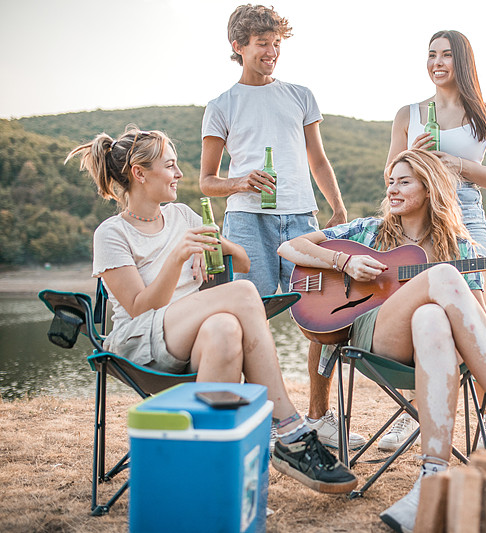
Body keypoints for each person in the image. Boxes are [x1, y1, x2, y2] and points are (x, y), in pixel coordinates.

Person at [277, 149, 486, 531]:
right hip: (376, 338)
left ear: (429, 188)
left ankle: (431, 477)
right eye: (391, 181)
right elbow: (290, 247)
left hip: (437, 349)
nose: (392, 189)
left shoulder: (460, 246)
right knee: (443, 276)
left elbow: (481, 325)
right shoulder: (370, 230)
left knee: (432, 316)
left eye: (404, 181)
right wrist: (343, 263)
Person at [67, 128, 357, 495]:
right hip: (139, 342)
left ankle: (207, 480)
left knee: (224, 327)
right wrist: (177, 257)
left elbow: (243, 261)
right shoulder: (112, 234)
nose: (179, 174)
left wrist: (216, 249)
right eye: (170, 166)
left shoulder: (184, 216)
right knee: (242, 294)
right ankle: (289, 430)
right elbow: (140, 308)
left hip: (190, 338)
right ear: (140, 173)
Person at [199, 4, 364, 451]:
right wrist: (240, 181)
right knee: (248, 318)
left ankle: (319, 416)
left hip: (302, 219)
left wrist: (337, 207)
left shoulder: (300, 95)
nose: (272, 52)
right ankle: (252, 421)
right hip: (246, 220)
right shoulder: (221, 106)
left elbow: (318, 159)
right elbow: (206, 181)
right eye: (262, 44)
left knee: (325, 319)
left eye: (277, 44)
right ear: (238, 47)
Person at [384, 30, 486, 453]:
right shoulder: (410, 113)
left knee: (474, 309)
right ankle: (415, 413)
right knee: (419, 310)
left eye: (446, 55)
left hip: (467, 217)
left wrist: (458, 164)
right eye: (431, 55)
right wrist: (414, 157)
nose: (437, 62)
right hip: (417, 219)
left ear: (463, 61)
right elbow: (390, 175)